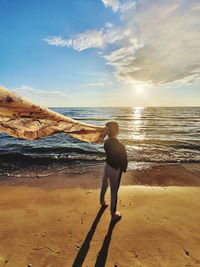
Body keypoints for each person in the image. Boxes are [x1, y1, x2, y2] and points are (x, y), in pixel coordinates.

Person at [100, 121, 128, 221]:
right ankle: (113, 214)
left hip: (107, 166)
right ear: (117, 131)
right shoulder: (120, 146)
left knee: (104, 184)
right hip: (115, 170)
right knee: (114, 190)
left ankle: (102, 201)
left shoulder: (106, 142)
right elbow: (124, 160)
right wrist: (124, 168)